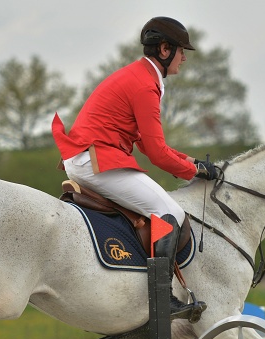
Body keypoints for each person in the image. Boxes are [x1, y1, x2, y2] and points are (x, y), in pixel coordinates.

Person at [52, 16, 219, 322]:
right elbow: (156, 153)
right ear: (165, 49)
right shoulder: (145, 84)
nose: (184, 58)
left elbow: (145, 142)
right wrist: (193, 171)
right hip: (96, 160)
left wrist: (193, 164)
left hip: (88, 157)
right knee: (171, 212)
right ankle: (161, 299)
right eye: (182, 51)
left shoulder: (141, 76)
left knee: (163, 208)